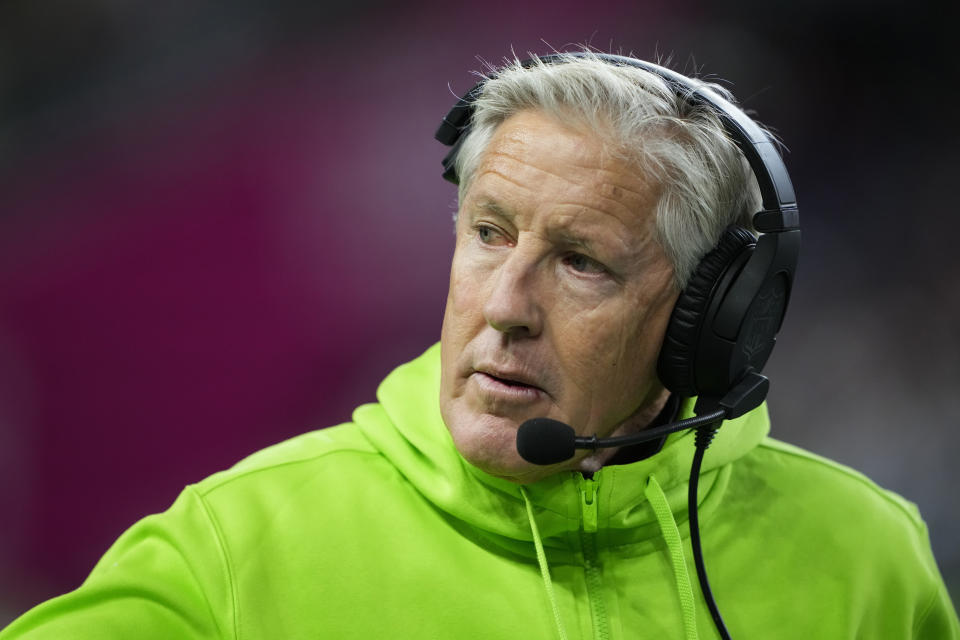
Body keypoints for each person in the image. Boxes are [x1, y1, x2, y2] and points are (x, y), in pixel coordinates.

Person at [2, 51, 957, 639]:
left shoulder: (865, 555)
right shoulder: (233, 546)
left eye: (580, 261)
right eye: (489, 233)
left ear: (713, 319)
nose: (504, 306)